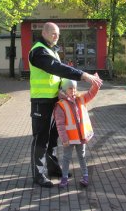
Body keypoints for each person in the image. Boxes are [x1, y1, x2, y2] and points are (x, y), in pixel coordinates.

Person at [28, 22, 103, 188]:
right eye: (54, 33)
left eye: (58, 34)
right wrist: (83, 75)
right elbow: (57, 68)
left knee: (53, 137)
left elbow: (58, 76)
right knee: (41, 138)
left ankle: (53, 169)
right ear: (44, 32)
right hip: (42, 101)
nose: (57, 36)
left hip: (56, 100)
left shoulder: (51, 50)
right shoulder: (39, 51)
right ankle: (38, 175)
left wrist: (63, 91)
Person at [54, 76, 100, 188]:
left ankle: (85, 176)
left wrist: (96, 84)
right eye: (70, 88)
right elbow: (60, 125)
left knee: (82, 156)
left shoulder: (80, 99)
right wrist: (64, 139)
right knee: (66, 158)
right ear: (64, 90)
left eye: (74, 88)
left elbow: (91, 93)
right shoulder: (60, 105)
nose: (73, 91)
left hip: (81, 137)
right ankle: (64, 178)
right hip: (69, 139)